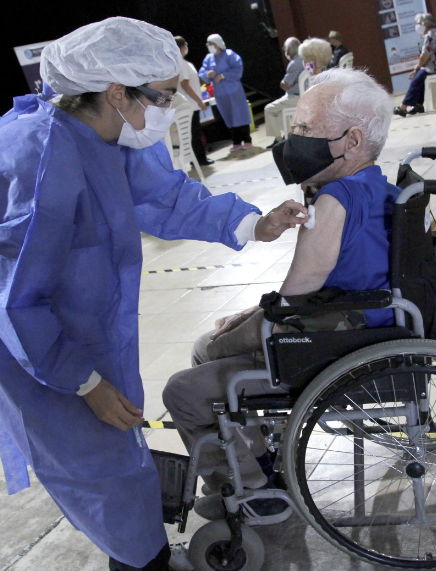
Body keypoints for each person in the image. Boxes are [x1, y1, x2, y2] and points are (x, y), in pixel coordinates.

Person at [0, 17, 308, 571]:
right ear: (115, 92)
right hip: (29, 341)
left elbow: (165, 196)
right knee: (96, 464)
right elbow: (15, 302)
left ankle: (140, 548)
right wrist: (84, 382)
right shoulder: (39, 161)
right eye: (162, 96)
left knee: (117, 442)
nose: (169, 108)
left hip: (74, 324)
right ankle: (140, 561)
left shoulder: (106, 134)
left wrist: (253, 223)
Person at [163, 68, 397, 518]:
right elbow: (304, 294)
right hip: (363, 326)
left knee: (185, 387)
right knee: (209, 347)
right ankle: (255, 461)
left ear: (352, 140)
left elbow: (285, 311)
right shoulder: (379, 187)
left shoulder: (335, 201)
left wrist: (236, 333)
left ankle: (254, 491)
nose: (294, 141)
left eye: (305, 129)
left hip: (336, 347)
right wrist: (252, 314)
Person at [199, 35, 252, 151]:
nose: (209, 47)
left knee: (240, 114)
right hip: (220, 93)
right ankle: (236, 141)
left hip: (234, 91)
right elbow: (202, 72)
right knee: (228, 116)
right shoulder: (209, 58)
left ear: (217, 44)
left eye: (211, 44)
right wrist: (207, 74)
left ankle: (247, 139)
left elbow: (238, 69)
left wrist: (224, 75)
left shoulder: (229, 54)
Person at [393, 13, 436, 117]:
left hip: (435, 67)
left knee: (416, 80)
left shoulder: (430, 36)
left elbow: (424, 56)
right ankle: (418, 105)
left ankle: (403, 108)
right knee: (419, 77)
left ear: (426, 23)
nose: (418, 26)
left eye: (419, 23)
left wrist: (417, 66)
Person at [174, 36, 213, 167]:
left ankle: (196, 158)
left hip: (190, 104)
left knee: (192, 132)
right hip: (190, 104)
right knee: (194, 133)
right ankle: (200, 158)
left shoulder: (182, 63)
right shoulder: (181, 64)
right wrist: (198, 100)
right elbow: (185, 85)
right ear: (181, 47)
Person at [264, 37, 304, 149]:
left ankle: (278, 139)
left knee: (269, 109)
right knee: (281, 110)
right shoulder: (307, 58)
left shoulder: (294, 63)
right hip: (307, 94)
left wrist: (281, 83)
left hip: (296, 97)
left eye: (286, 50)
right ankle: (289, 135)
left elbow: (286, 85)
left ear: (289, 50)